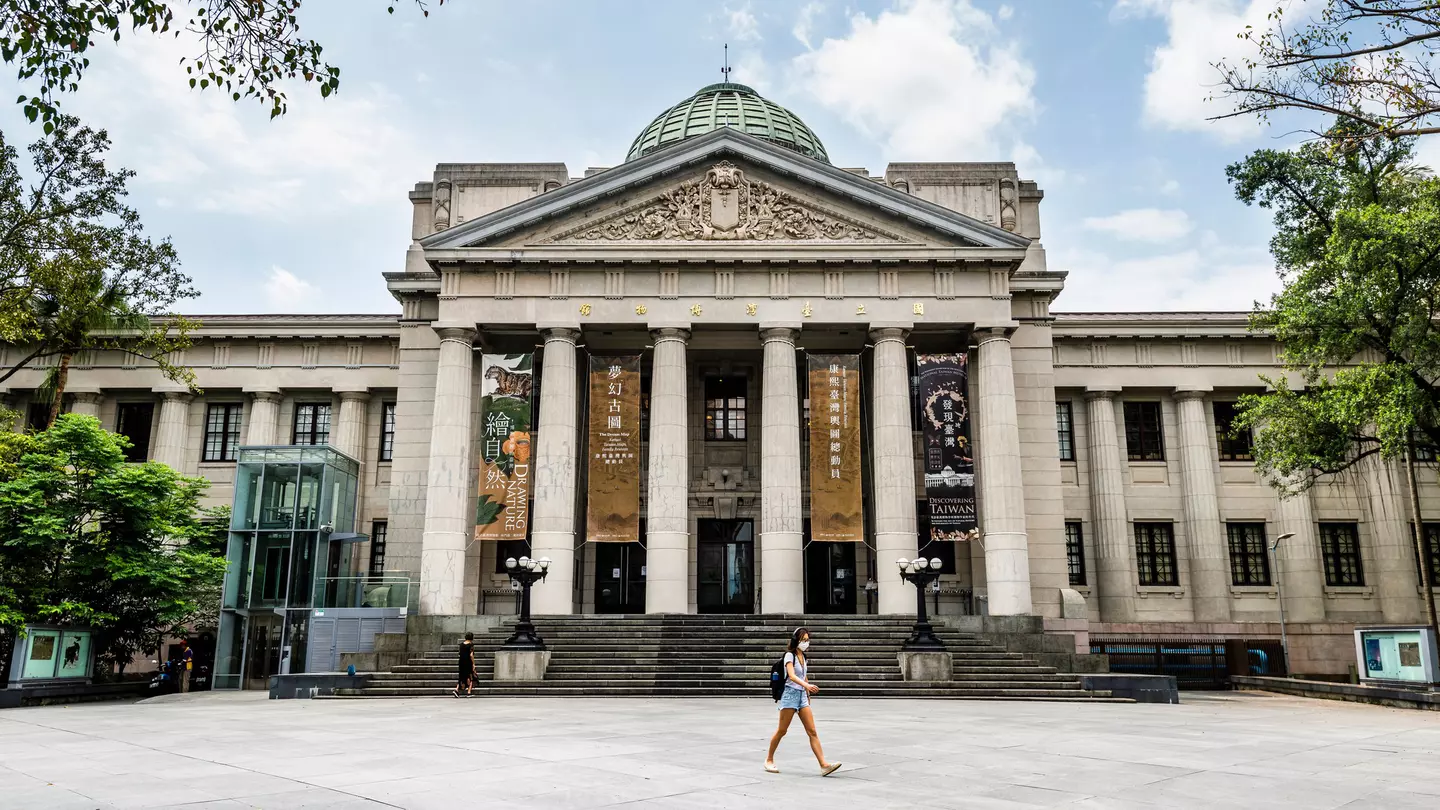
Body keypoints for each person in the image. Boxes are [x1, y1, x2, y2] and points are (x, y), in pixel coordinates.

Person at [765, 627, 841, 776]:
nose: (806, 643)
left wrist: (807, 693)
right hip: (790, 695)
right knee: (782, 730)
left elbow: (804, 675)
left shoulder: (803, 657)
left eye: (807, 640)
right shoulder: (789, 655)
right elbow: (792, 676)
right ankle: (769, 759)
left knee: (812, 731)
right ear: (796, 641)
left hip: (802, 696)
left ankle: (824, 765)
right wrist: (807, 686)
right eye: (803, 640)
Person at [453, 632, 476, 698]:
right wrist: (473, 664)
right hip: (468, 662)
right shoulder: (471, 645)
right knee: (471, 676)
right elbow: (471, 655)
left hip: (461, 662)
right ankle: (469, 692)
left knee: (461, 676)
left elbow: (459, 654)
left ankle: (456, 690)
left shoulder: (461, 645)